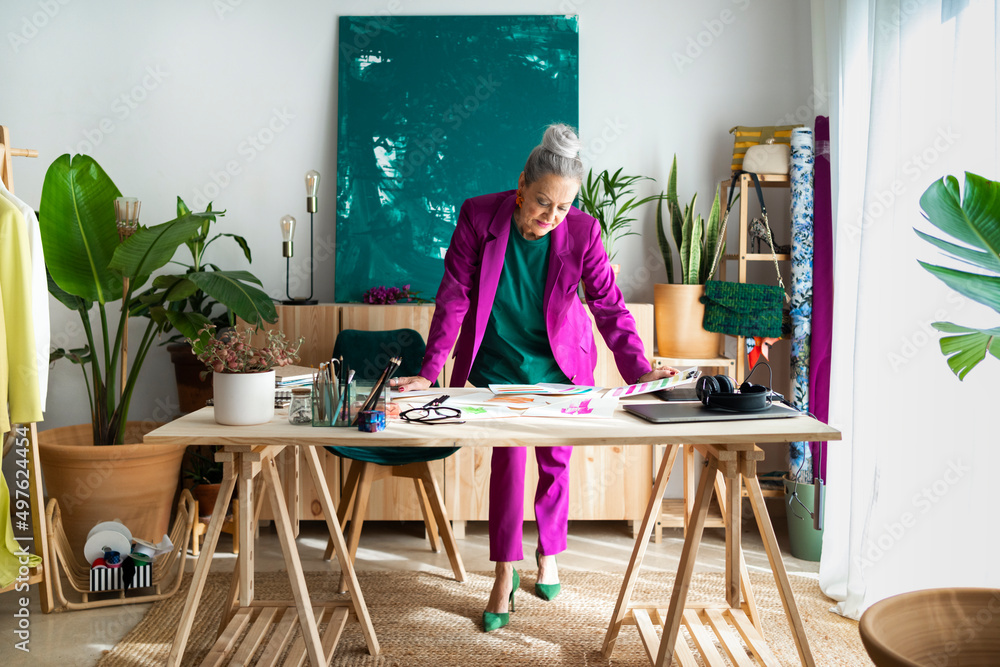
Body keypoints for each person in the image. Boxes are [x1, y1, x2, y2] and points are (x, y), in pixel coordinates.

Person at [390, 123, 675, 632]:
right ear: (522, 185)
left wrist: (640, 370)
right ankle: (504, 571)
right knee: (509, 462)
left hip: (561, 365)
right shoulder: (478, 216)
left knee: (555, 460)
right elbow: (454, 296)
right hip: (499, 362)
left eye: (563, 207)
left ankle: (549, 551)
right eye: (543, 202)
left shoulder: (584, 232)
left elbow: (608, 306)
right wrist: (429, 373)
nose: (551, 216)